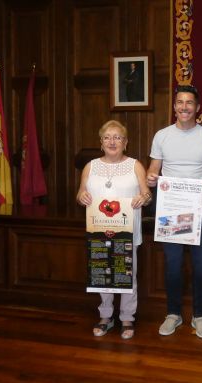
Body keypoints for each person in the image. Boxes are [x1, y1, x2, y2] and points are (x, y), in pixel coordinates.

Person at [147, 85, 202, 339]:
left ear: (197, 108)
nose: (184, 107)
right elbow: (153, 168)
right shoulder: (162, 136)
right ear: (175, 107)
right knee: (173, 265)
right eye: (180, 102)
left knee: (201, 266)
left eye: (189, 103)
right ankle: (173, 314)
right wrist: (151, 177)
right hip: (170, 208)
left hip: (200, 207)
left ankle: (199, 316)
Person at [76, 120, 151, 340]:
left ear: (125, 142)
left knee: (128, 273)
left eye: (117, 137)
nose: (112, 141)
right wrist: (82, 197)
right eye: (107, 137)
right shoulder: (90, 166)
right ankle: (105, 316)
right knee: (103, 271)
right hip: (99, 230)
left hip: (126, 230)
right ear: (101, 142)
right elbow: (80, 195)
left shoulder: (135, 165)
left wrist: (142, 197)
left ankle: (127, 317)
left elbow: (148, 195)